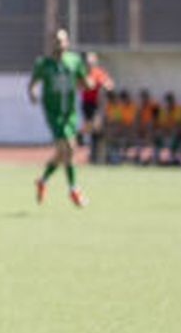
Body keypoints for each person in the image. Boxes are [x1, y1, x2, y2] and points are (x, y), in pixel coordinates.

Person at [27, 28, 92, 206]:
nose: (60, 44)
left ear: (68, 43)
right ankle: (73, 190)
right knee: (69, 148)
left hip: (70, 113)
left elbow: (84, 82)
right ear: (51, 43)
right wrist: (32, 93)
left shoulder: (74, 61)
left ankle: (42, 180)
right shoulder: (43, 64)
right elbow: (33, 83)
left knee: (63, 153)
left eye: (63, 40)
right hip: (53, 113)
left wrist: (89, 80)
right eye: (57, 40)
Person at [79, 51, 115, 162]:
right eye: (88, 60)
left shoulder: (98, 72)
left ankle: (95, 151)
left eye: (91, 60)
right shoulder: (83, 72)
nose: (89, 62)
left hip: (97, 103)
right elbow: (80, 85)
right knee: (93, 125)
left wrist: (107, 86)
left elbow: (109, 83)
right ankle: (81, 134)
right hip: (87, 102)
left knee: (97, 127)